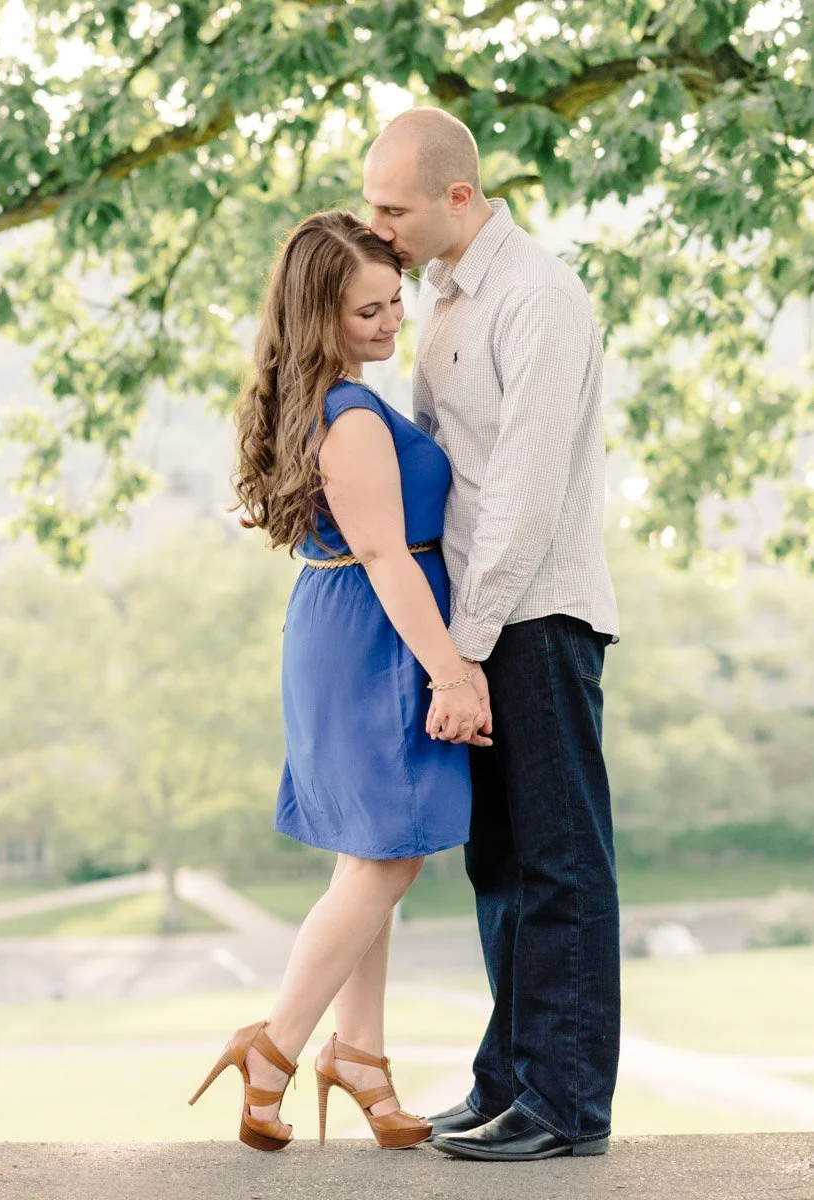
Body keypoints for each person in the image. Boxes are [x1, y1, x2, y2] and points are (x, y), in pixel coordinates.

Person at [192, 209, 489, 1152]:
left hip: (339, 627)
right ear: (320, 316)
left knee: (370, 856)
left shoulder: (313, 397)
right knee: (391, 856)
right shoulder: (350, 414)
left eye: (394, 298)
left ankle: (358, 1053)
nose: (392, 318)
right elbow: (387, 555)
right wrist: (452, 675)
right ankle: (274, 1048)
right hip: (379, 637)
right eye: (368, 309)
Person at [362, 107, 622, 1162]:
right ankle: (508, 1080)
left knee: (559, 863)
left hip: (534, 617)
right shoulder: (444, 299)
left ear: (458, 198)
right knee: (501, 862)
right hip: (478, 620)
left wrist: (463, 646)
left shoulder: (539, 301)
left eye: (394, 207)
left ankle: (565, 1110)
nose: (375, 225)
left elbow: (520, 495)